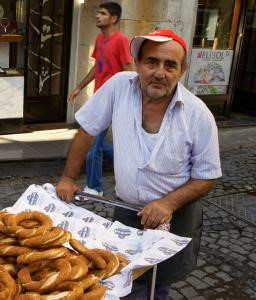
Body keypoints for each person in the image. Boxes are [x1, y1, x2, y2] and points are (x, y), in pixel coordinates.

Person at [57, 29, 221, 299]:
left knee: (158, 286)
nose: (160, 72)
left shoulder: (198, 114)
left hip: (175, 215)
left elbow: (208, 175)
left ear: (181, 71)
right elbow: (86, 129)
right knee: (120, 280)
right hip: (126, 209)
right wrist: (68, 177)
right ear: (138, 64)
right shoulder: (119, 86)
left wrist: (167, 204)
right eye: (152, 62)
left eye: (170, 65)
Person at [67, 2, 132, 196]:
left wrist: (133, 98)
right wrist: (79, 87)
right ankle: (128, 158)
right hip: (99, 98)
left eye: (102, 13)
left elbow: (129, 69)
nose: (97, 16)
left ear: (113, 19)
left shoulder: (120, 40)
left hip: (113, 100)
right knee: (99, 143)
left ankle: (95, 188)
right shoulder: (100, 39)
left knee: (92, 143)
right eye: (98, 12)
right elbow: (97, 68)